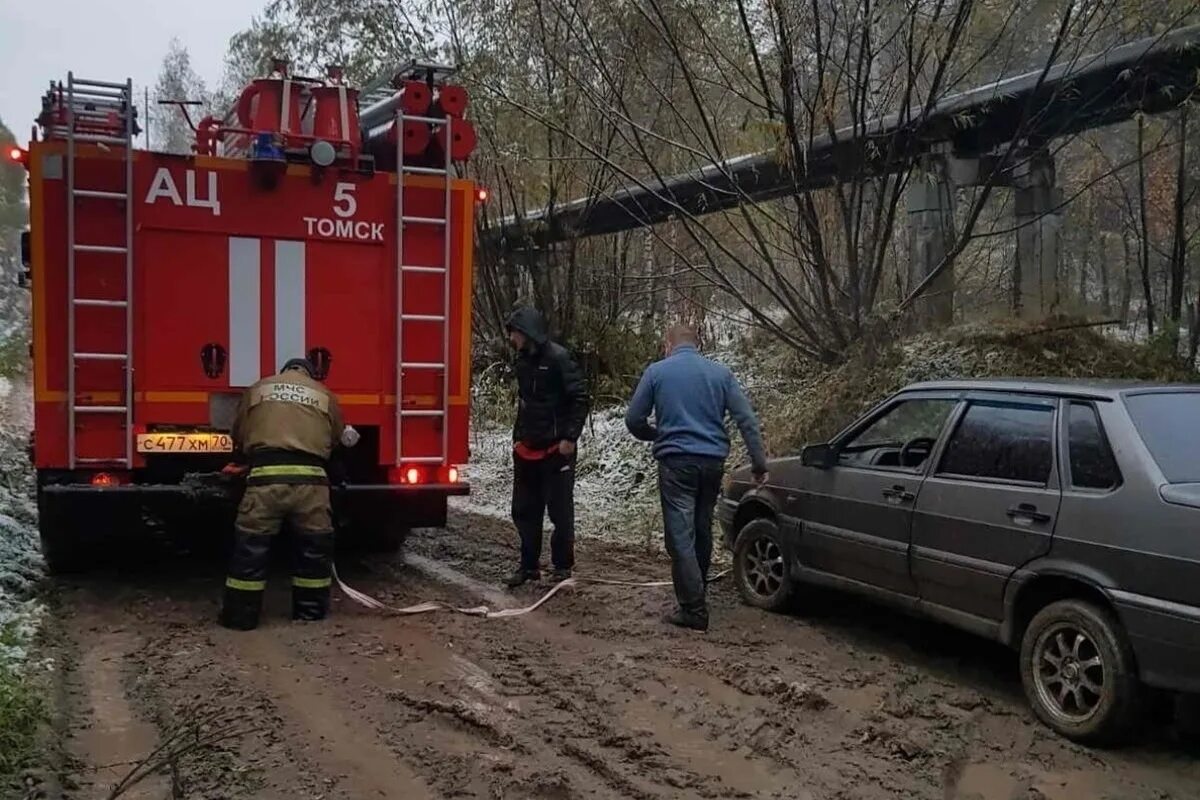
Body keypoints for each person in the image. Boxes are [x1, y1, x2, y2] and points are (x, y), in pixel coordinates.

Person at [625, 324, 768, 631]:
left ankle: (693, 609)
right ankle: (697, 590)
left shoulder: (657, 372)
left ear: (668, 344)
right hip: (712, 462)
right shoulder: (720, 374)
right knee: (701, 526)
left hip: (676, 462)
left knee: (680, 534)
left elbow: (633, 419)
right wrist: (759, 463)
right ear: (698, 344)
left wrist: (654, 434)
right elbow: (747, 419)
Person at [219, 357, 357, 631]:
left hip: (264, 483)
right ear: (310, 373)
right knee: (312, 551)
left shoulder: (258, 389)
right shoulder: (324, 394)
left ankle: (240, 618)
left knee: (251, 550)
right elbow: (338, 439)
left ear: (284, 371)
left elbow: (239, 434)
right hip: (311, 488)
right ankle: (310, 614)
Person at [504, 307, 590, 588]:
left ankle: (562, 565)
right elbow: (524, 402)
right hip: (527, 448)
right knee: (524, 510)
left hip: (556, 451)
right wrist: (517, 437)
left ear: (526, 332)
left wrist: (570, 437)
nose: (511, 339)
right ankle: (528, 566)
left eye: (514, 333)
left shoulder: (559, 358)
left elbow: (579, 398)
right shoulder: (522, 362)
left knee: (560, 513)